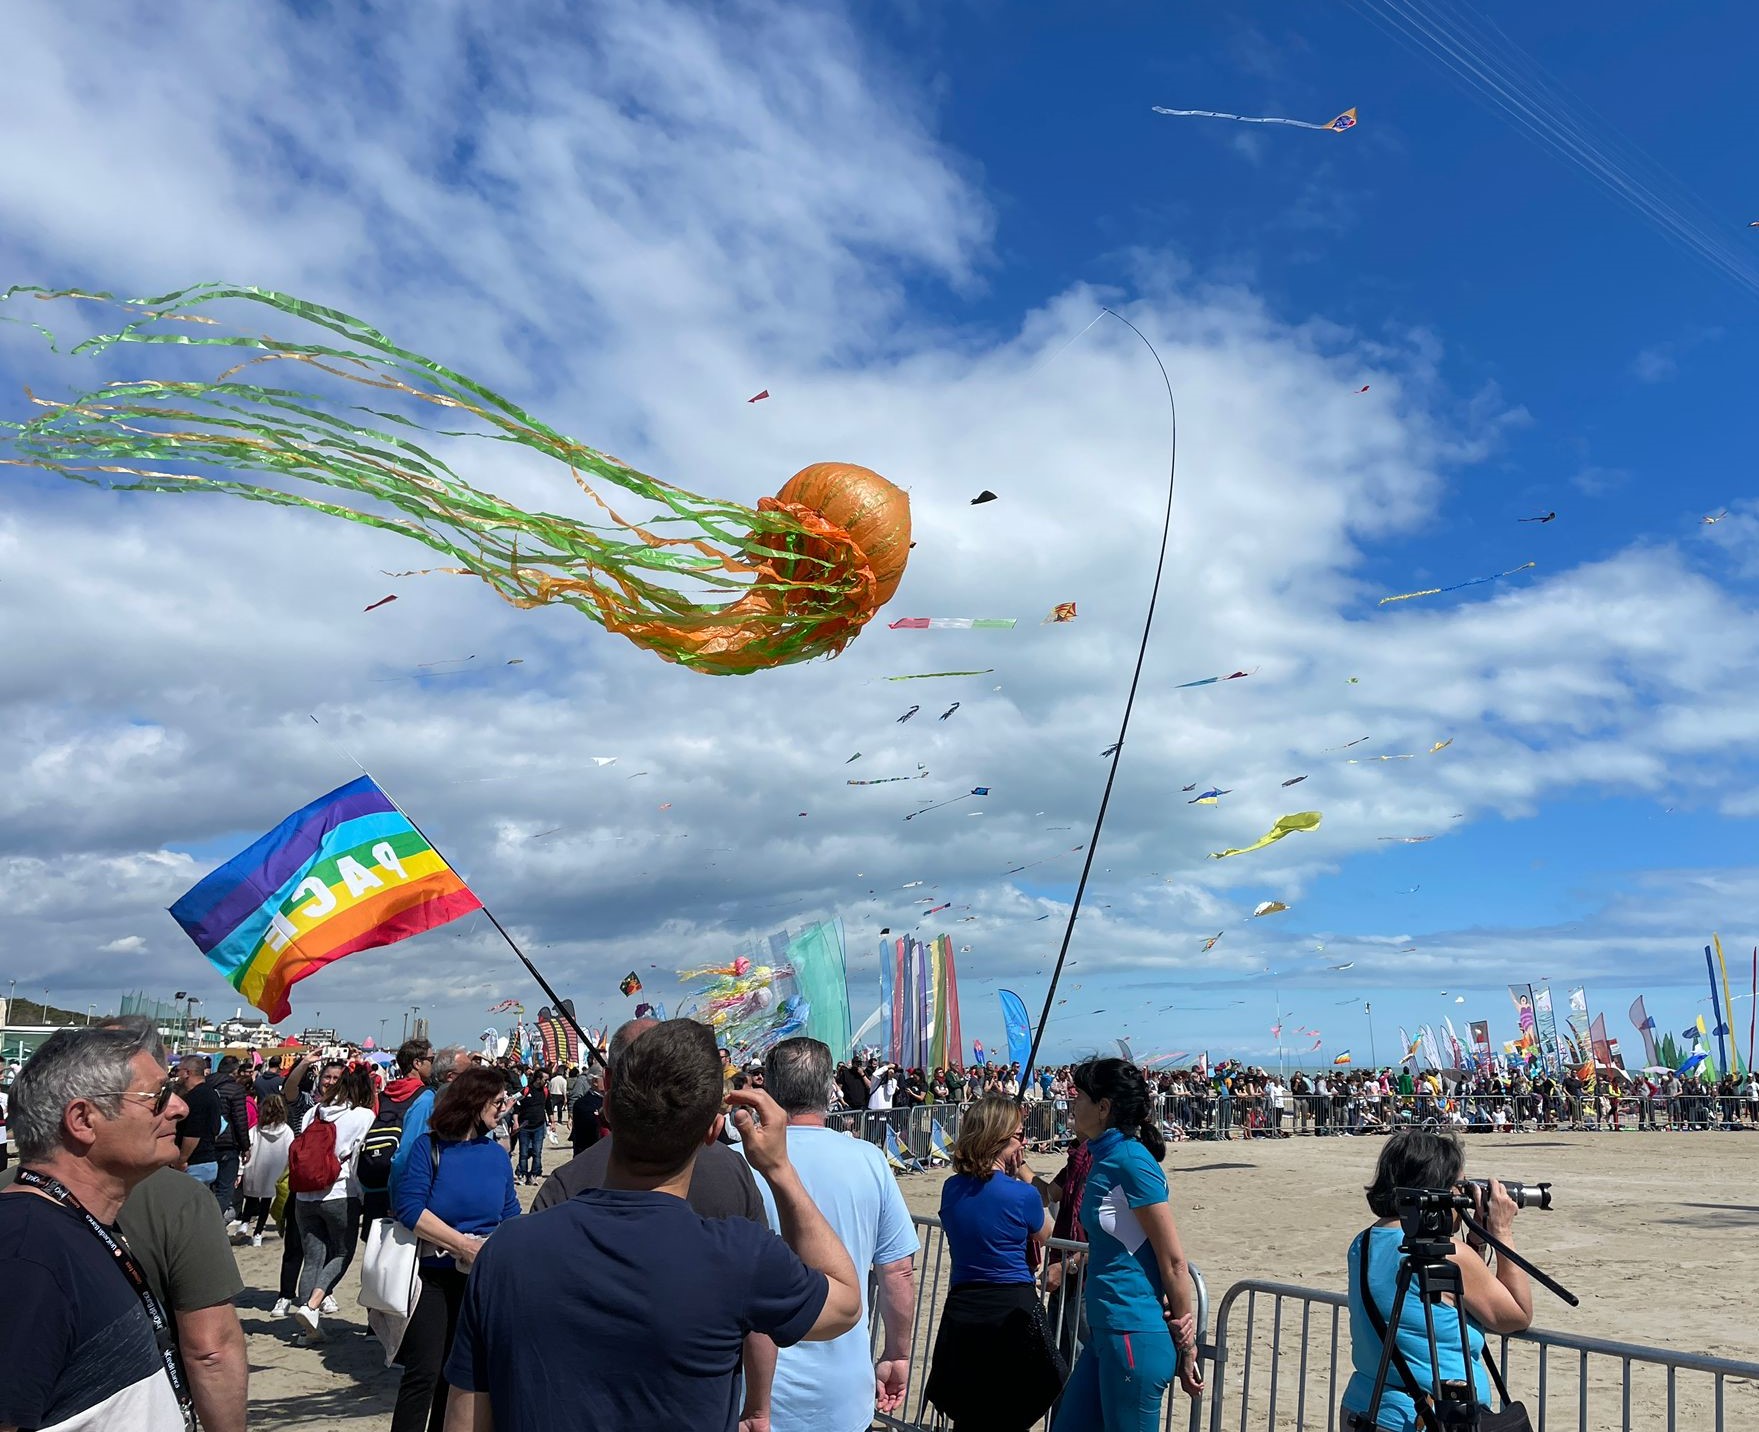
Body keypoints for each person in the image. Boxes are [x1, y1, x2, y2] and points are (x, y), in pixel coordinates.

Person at [442, 1019, 863, 1430]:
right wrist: (779, 1169)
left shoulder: (508, 1250)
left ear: (607, 1107)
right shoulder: (737, 1255)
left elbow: (464, 1419)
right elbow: (844, 1304)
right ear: (714, 1129)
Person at [0, 1025, 198, 1431]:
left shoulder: (74, 1227)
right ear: (83, 1120)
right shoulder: (26, 1255)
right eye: (159, 1096)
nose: (180, 1108)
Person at [747, 1038, 918, 1432]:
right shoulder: (868, 1160)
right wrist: (897, 1353)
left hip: (755, 1391)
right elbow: (897, 1272)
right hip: (839, 1389)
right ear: (829, 1089)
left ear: (769, 1089)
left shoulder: (739, 1160)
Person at [1340, 1130, 1533, 1432]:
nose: (1464, 1197)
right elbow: (1515, 1315)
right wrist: (1502, 1231)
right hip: (1433, 1418)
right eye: (1459, 1186)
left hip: (1367, 1407)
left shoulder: (1362, 1243)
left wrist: (1475, 1243)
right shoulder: (1452, 1255)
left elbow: (1446, 1296)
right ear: (1436, 1190)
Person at [1053, 1057, 1202, 1431]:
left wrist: (1187, 1345)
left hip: (1133, 1334)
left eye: (1081, 1096)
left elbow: (1173, 1261)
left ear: (1103, 1108)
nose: (1073, 1103)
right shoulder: (1101, 1157)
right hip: (1106, 1332)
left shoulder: (1132, 1161)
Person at [391, 1064, 522, 1432]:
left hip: (481, 1280)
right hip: (432, 1277)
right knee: (425, 1373)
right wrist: (463, 1245)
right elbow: (410, 1208)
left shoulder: (496, 1154)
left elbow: (510, 1212)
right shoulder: (429, 1147)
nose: (504, 1108)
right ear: (476, 1101)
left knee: (459, 1375)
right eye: (498, 1101)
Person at [925, 1095, 1062, 1431]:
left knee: (971, 1406)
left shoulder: (951, 1188)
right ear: (998, 1139)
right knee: (1036, 1385)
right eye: (1019, 1136)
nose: (1023, 1142)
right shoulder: (1021, 1195)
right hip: (1012, 1303)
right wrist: (1025, 1174)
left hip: (963, 1305)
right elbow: (1051, 1234)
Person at [290, 1064, 377, 1339]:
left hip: (305, 1195)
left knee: (313, 1256)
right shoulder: (362, 1115)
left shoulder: (312, 1113)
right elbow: (360, 1158)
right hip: (341, 1192)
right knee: (342, 1252)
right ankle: (313, 1305)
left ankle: (307, 1325)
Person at [238, 1093, 293, 1245]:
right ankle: (258, 1233)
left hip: (255, 1168)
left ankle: (244, 1222)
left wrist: (240, 1170)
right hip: (275, 1171)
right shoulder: (287, 1131)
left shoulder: (256, 1129)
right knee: (266, 1203)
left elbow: (246, 1147)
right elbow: (291, 1151)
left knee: (250, 1198)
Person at [209, 1055, 252, 1231]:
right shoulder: (235, 1090)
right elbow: (240, 1120)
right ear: (235, 1071)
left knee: (209, 1187)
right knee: (225, 1189)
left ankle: (206, 1220)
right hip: (228, 1143)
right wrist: (245, 1147)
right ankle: (213, 1225)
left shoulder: (205, 1084)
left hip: (206, 1141)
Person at [174, 1052, 222, 1188]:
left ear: (187, 1073)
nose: (177, 1075)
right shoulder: (212, 1093)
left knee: (182, 1206)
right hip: (209, 1161)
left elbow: (193, 1133)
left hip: (194, 1164)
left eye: (178, 1071)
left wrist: (182, 1160)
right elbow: (217, 1128)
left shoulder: (197, 1097)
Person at [512, 1074, 548, 1185]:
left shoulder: (545, 1091)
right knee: (523, 1152)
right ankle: (522, 1175)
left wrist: (553, 1123)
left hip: (539, 1126)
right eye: (545, 1079)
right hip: (525, 1127)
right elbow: (515, 1105)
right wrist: (516, 1122)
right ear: (538, 1079)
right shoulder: (525, 1090)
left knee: (537, 1152)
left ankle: (534, 1175)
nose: (547, 1082)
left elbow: (549, 1107)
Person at [570, 1069, 605, 1155]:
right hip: (589, 1153)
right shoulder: (583, 1104)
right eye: (604, 1078)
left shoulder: (612, 1099)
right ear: (595, 1082)